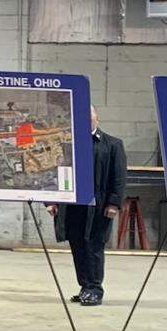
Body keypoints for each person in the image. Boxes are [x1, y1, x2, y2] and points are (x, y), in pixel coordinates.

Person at [47, 105, 126, 306]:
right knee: (77, 245)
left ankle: (95, 289)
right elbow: (54, 172)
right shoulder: (67, 144)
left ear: (97, 118)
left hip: (99, 207)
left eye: (89, 116)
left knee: (94, 246)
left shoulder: (113, 145)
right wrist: (51, 200)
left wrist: (114, 203)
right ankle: (84, 287)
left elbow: (118, 178)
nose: (86, 120)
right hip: (73, 206)